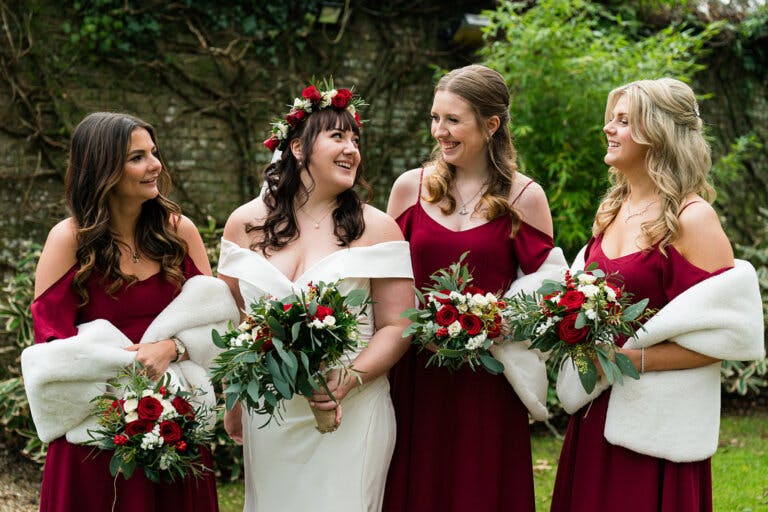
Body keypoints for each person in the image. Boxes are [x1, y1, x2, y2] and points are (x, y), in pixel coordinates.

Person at [550, 78, 765, 511]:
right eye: (611, 119)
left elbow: (725, 336)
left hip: (655, 431)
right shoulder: (612, 208)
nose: (608, 128)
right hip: (594, 412)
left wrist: (633, 360)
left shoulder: (694, 219)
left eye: (623, 121)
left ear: (659, 132)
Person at [22, 112, 238, 512]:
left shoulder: (179, 232)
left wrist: (173, 348)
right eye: (137, 157)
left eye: (154, 153)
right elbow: (51, 345)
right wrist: (123, 388)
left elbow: (217, 323)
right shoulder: (69, 239)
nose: (155, 165)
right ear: (103, 168)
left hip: (176, 424)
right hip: (97, 430)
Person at [217, 82, 414, 511]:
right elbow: (232, 323)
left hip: (354, 410)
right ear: (299, 148)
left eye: (355, 140)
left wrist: (349, 379)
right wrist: (233, 395)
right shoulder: (242, 224)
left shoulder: (377, 228)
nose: (352, 149)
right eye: (338, 136)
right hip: (269, 413)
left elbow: (399, 325)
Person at [384, 64, 565, 512]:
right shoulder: (410, 188)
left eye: (452, 120)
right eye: (434, 118)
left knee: (481, 489)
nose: (438, 131)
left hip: (489, 378)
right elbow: (382, 278)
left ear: (490, 125)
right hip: (414, 372)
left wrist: (499, 320)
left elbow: (546, 294)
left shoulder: (526, 198)